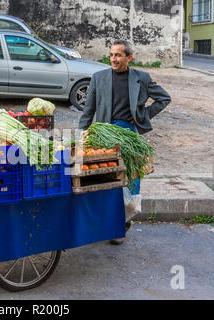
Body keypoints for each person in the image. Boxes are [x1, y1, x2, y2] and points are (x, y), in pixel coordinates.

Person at [78, 39, 171, 245]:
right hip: (102, 134)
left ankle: (123, 224)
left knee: (129, 179)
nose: (113, 59)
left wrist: (142, 115)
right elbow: (88, 110)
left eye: (118, 55)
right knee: (106, 178)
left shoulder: (142, 78)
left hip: (128, 135)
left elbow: (164, 98)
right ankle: (106, 223)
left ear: (129, 57)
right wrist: (81, 136)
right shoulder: (98, 77)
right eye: (111, 55)